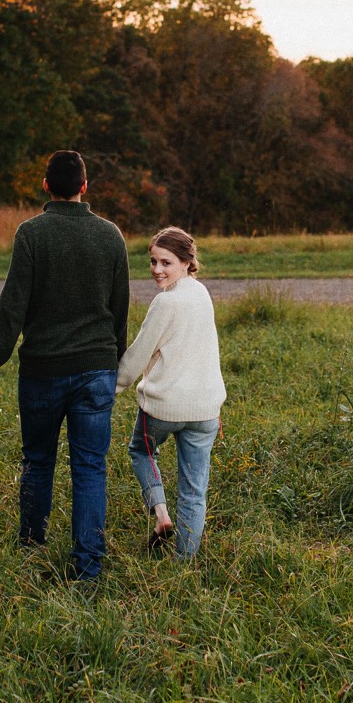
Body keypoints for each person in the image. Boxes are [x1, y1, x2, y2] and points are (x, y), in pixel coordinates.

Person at [0, 150, 130, 581]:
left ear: (45, 186)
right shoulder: (111, 235)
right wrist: (113, 361)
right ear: (85, 187)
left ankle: (31, 549)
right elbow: (120, 310)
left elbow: (12, 308)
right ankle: (89, 568)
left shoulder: (31, 234)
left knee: (38, 460)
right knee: (91, 466)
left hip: (42, 370)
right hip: (98, 369)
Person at [116, 226, 227, 559]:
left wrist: (115, 387)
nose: (156, 270)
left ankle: (161, 514)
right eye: (152, 262)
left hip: (164, 409)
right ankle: (184, 563)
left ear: (186, 262)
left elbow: (140, 353)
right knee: (194, 492)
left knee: (140, 450)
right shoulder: (202, 293)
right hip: (206, 409)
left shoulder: (165, 302)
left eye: (166, 262)